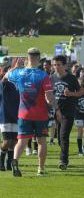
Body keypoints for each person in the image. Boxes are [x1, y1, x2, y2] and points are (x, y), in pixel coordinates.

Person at [6, 48, 55, 177]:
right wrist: (53, 105)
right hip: (40, 114)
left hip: (23, 114)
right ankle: (41, 168)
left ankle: (15, 160)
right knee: (41, 141)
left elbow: (6, 76)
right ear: (38, 59)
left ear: (27, 58)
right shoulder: (43, 75)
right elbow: (49, 96)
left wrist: (15, 67)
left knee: (21, 141)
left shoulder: (19, 73)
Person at [51, 55, 82, 170]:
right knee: (59, 138)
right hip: (57, 110)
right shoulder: (52, 77)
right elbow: (50, 94)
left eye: (58, 65)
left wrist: (71, 94)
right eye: (54, 65)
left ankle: (63, 161)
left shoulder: (71, 78)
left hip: (69, 111)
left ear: (64, 65)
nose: (56, 67)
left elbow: (80, 93)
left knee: (64, 136)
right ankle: (64, 156)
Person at [0, 67, 19, 171]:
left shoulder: (19, 84)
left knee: (14, 141)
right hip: (5, 116)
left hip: (17, 115)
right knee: (7, 141)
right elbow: (4, 79)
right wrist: (14, 67)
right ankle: (1, 160)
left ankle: (9, 163)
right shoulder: (4, 83)